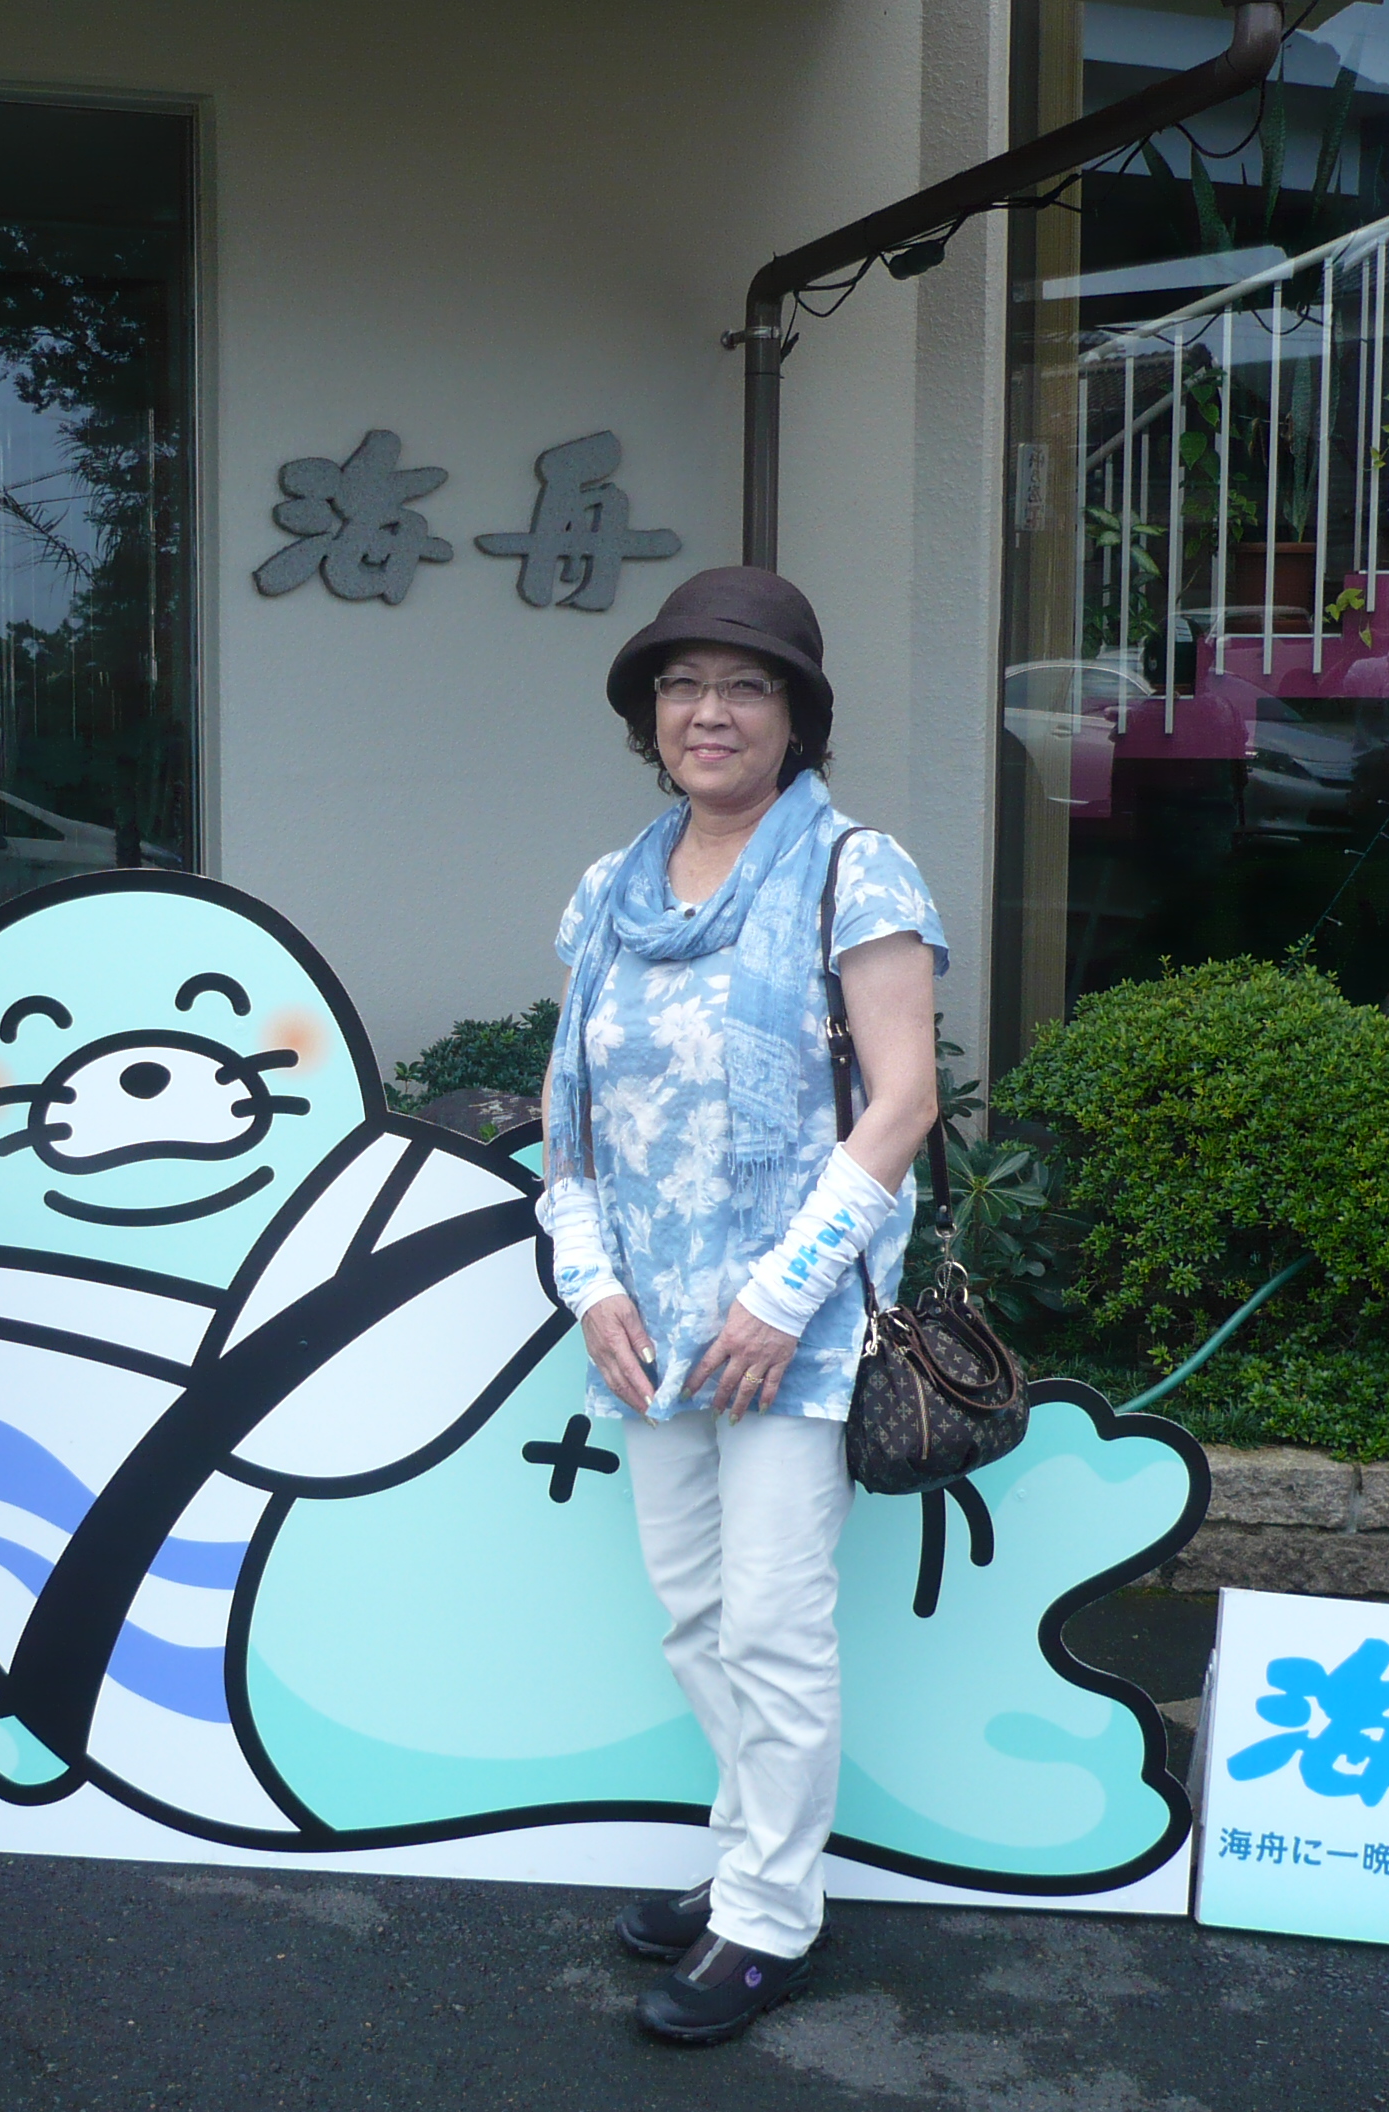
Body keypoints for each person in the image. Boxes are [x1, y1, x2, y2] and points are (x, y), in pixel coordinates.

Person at [537, 566, 945, 2045]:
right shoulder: (610, 889)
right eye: (681, 685)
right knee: (697, 1617)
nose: (708, 712)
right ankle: (743, 1862)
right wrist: (588, 1280)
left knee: (772, 1623)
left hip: (797, 1329)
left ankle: (771, 1916)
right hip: (650, 1332)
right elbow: (568, 1121)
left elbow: (902, 1107)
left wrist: (778, 1299)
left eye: (745, 685)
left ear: (795, 715)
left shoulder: (856, 871)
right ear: (650, 715)